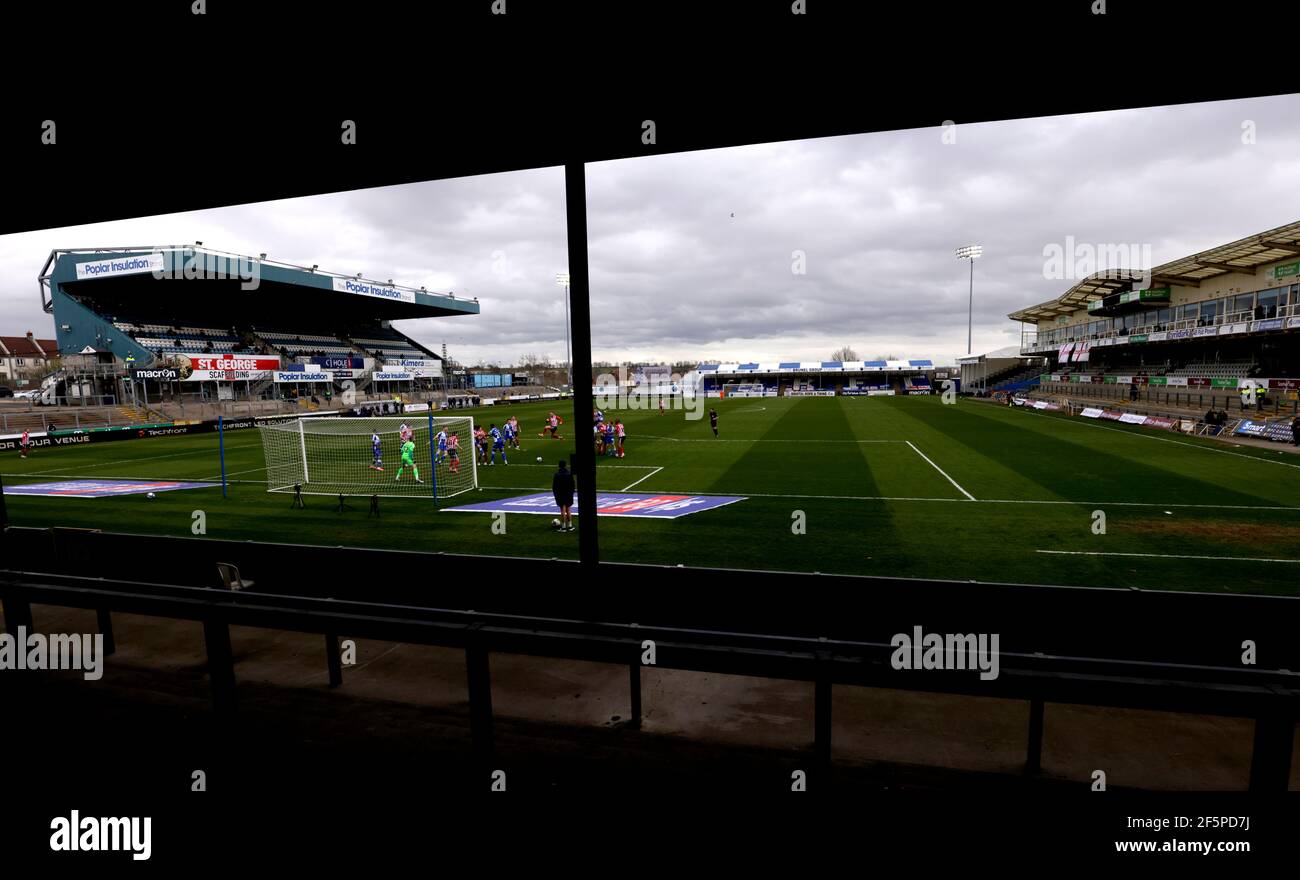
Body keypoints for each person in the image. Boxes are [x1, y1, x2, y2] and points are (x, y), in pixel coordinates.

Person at [552, 459, 575, 532]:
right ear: (565, 465)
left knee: (562, 510)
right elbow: (573, 485)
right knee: (568, 509)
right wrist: (571, 493)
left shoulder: (557, 475)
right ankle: (570, 526)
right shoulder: (569, 474)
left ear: (559, 466)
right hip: (568, 494)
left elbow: (554, 486)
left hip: (560, 494)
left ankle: (563, 527)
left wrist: (556, 494)